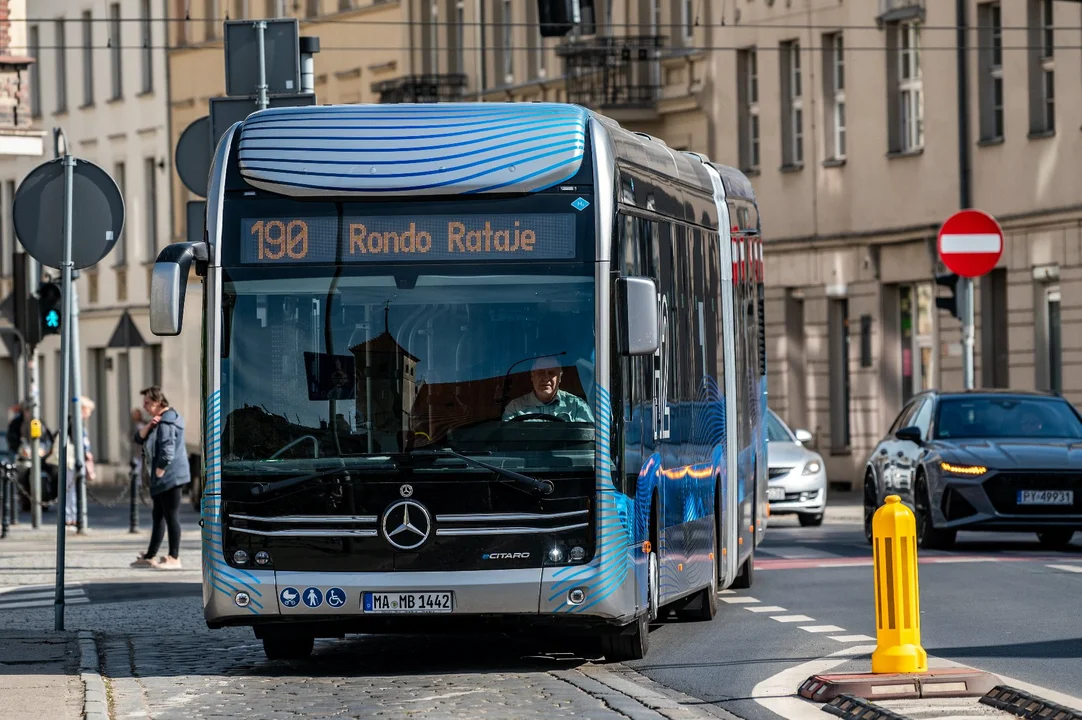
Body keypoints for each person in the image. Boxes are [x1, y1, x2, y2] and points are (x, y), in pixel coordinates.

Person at [131, 387, 190, 570]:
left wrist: (160, 471)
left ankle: (174, 557)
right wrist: (149, 425)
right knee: (158, 515)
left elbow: (167, 449)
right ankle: (150, 555)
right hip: (165, 477)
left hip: (170, 476)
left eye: (147, 403)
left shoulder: (167, 422)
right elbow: (138, 438)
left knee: (171, 515)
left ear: (158, 402)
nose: (144, 406)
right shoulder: (160, 421)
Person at [502, 356, 593, 423]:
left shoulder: (577, 406)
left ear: (559, 378)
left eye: (551, 372)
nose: (546, 378)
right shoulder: (515, 408)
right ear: (532, 375)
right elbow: (508, 442)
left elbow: (585, 442)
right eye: (540, 371)